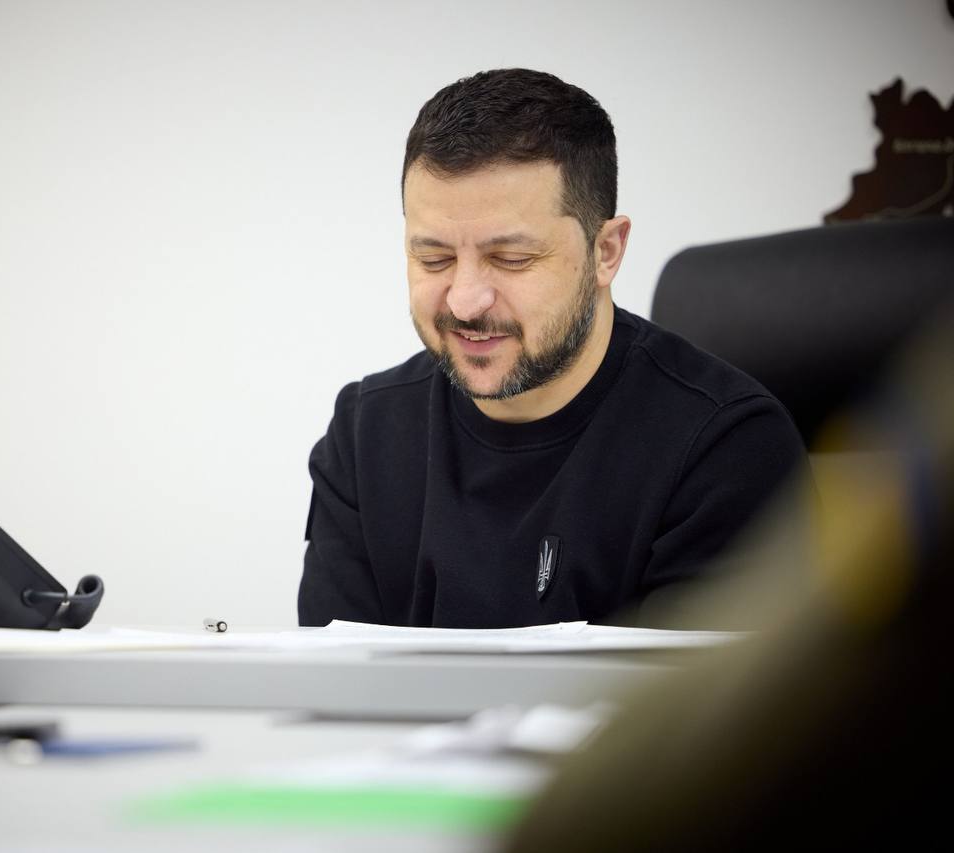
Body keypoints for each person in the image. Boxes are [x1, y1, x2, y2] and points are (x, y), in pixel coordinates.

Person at [297, 68, 806, 628]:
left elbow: (709, 687)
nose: (465, 301)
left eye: (512, 259)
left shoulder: (725, 447)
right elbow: (335, 674)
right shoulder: (365, 433)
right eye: (434, 258)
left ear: (606, 252)